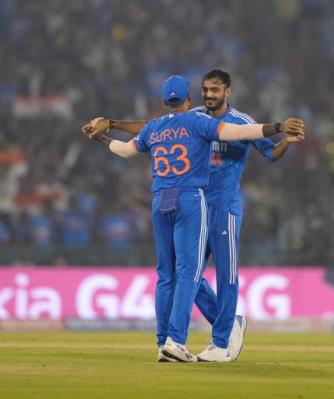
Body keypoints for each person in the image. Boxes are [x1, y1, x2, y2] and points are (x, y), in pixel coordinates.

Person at [82, 74, 305, 362]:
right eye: (205, 90)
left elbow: (271, 153)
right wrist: (112, 124)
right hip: (195, 204)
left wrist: (284, 139)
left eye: (215, 90)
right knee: (187, 273)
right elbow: (151, 129)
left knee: (225, 275)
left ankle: (221, 342)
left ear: (228, 91)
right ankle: (225, 325)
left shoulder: (240, 120)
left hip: (223, 207)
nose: (209, 94)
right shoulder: (195, 117)